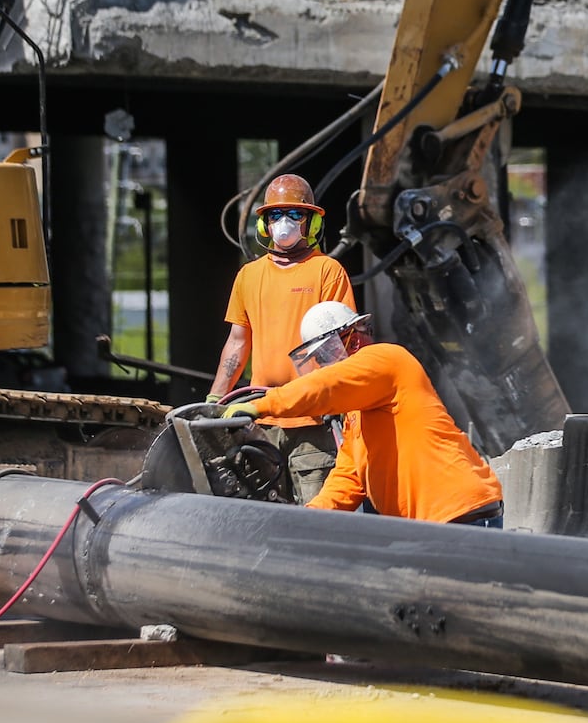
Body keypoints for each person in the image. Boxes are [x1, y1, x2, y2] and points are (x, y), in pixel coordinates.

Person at [224, 301, 505, 527]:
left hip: (462, 515)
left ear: (353, 339)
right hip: (432, 526)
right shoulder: (357, 418)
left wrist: (260, 405)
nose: (322, 366)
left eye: (324, 355)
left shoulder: (389, 360)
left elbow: (326, 387)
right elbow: (349, 479)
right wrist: (307, 518)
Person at [209, 174, 354, 504]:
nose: (283, 222)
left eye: (294, 214)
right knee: (263, 519)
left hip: (313, 423)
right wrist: (216, 398)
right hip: (260, 423)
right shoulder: (249, 275)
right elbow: (237, 342)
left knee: (318, 521)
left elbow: (342, 348)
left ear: (311, 222)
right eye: (275, 215)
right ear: (264, 225)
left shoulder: (328, 272)